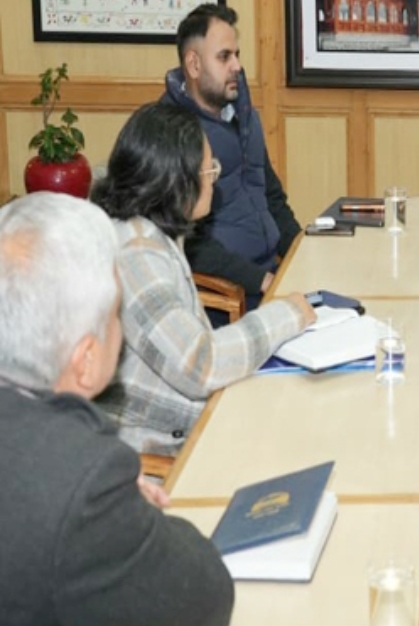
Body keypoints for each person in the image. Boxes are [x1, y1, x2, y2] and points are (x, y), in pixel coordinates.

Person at [0, 192, 234, 626]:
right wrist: (126, 510)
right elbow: (203, 595)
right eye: (115, 315)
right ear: (86, 360)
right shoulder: (82, 477)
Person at [93, 103, 315, 456]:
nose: (214, 179)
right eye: (209, 169)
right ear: (175, 177)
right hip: (160, 448)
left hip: (194, 416)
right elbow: (202, 365)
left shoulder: (154, 234)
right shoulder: (137, 256)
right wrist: (287, 315)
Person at [163, 3, 301, 312]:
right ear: (194, 65)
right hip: (231, 299)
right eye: (224, 57)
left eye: (237, 55)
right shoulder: (173, 134)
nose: (237, 66)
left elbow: (273, 198)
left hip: (273, 277)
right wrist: (261, 280)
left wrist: (300, 252)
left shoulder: (245, 115)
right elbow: (187, 242)